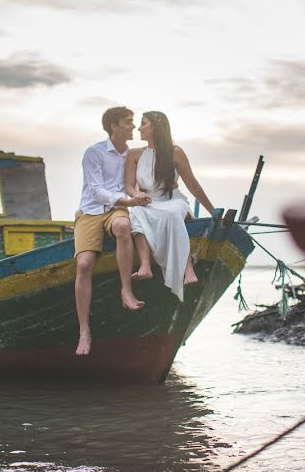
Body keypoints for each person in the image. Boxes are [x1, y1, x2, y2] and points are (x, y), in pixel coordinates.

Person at [74, 106, 151, 356]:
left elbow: (139, 185)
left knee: (123, 225)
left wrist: (142, 198)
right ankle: (84, 331)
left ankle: (126, 291)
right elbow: (95, 191)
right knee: (84, 264)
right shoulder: (94, 153)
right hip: (90, 210)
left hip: (117, 210)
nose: (133, 126)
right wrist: (127, 201)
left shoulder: (135, 155)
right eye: (128, 122)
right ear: (113, 126)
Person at [125, 111, 215, 302]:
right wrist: (136, 195)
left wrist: (213, 212)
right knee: (136, 213)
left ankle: (187, 269)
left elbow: (193, 184)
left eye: (144, 124)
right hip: (147, 202)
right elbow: (128, 185)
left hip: (172, 199)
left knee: (173, 214)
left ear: (156, 128)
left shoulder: (175, 152)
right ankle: (145, 266)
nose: (139, 128)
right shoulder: (134, 154)